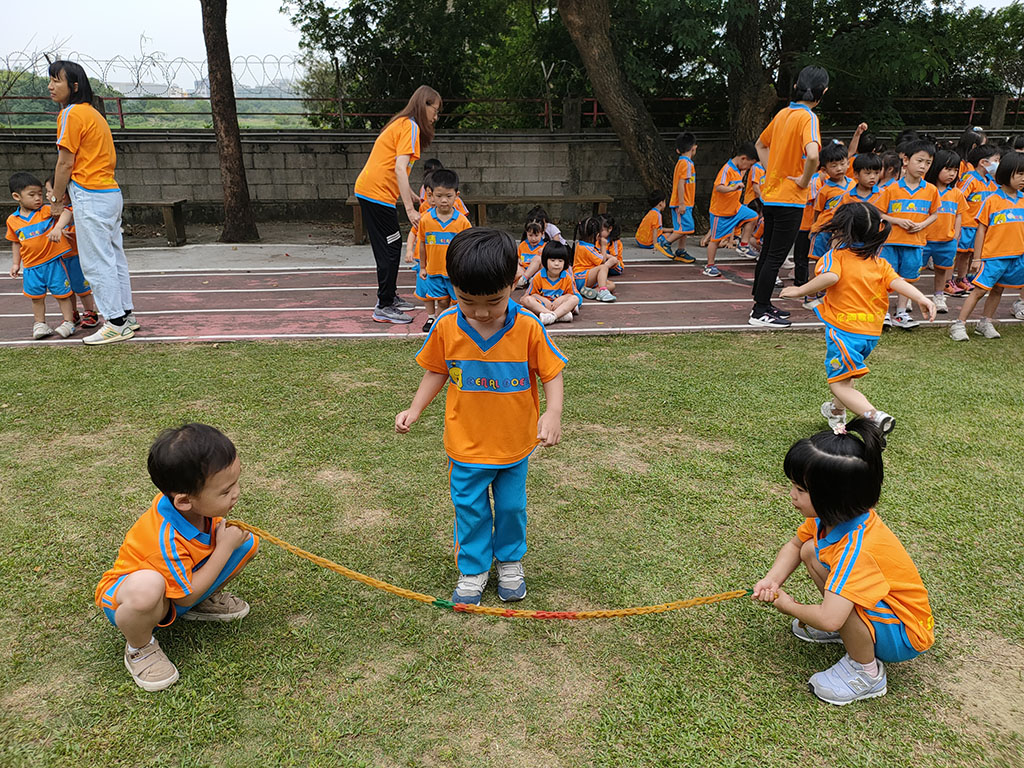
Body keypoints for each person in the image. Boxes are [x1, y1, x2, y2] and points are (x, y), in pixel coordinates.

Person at [395, 228, 566, 605]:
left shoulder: (528, 327)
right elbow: (437, 370)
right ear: (453, 287)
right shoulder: (446, 326)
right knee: (469, 510)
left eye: (494, 300)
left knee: (511, 508)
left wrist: (553, 413)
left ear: (513, 284)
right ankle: (473, 568)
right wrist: (415, 408)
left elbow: (551, 372)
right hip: (466, 445)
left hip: (514, 444)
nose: (482, 312)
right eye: (468, 300)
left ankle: (509, 561)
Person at [752, 418, 934, 705]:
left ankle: (867, 673)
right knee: (810, 551)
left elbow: (829, 618)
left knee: (841, 608)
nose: (792, 495)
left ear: (833, 497)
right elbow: (796, 546)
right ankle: (852, 635)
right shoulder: (831, 518)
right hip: (888, 614)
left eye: (801, 490)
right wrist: (772, 580)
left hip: (905, 634)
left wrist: (789, 605)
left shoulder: (856, 550)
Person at [94, 423, 260, 691]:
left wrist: (227, 546)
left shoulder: (196, 510)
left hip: (175, 591)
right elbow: (184, 596)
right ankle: (140, 647)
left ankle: (202, 604)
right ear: (184, 501)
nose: (236, 493)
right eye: (225, 491)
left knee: (246, 543)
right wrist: (223, 549)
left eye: (236, 482)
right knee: (148, 587)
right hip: (131, 600)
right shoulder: (165, 537)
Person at [780, 202, 936, 434]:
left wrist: (799, 290)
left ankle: (874, 417)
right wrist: (922, 298)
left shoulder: (836, 257)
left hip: (844, 331)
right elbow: (898, 282)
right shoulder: (879, 263)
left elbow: (831, 277)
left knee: (837, 384)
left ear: (840, 231)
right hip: (869, 334)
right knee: (846, 374)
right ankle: (836, 411)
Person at [47, 60, 138, 345]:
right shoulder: (93, 113)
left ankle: (115, 323)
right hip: (109, 192)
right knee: (113, 258)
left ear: (74, 86)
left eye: (56, 80)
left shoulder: (70, 114)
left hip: (90, 193)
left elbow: (65, 162)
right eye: (50, 80)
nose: (50, 86)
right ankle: (125, 316)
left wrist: (56, 199)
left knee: (96, 262)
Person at [354, 85, 441, 324]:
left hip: (374, 192)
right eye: (435, 110)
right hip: (376, 195)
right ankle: (384, 305)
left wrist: (411, 194)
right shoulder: (410, 126)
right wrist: (410, 210)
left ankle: (390, 297)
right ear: (424, 105)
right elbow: (399, 168)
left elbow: (393, 168)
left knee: (390, 245)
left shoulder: (403, 124)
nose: (436, 116)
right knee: (390, 248)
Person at [750, 66, 828, 328]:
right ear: (823, 92)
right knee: (776, 256)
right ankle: (759, 310)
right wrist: (804, 180)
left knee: (768, 253)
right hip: (790, 199)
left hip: (772, 196)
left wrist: (772, 171)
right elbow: (814, 155)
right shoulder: (808, 118)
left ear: (796, 87)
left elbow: (760, 144)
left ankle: (761, 303)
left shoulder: (783, 114)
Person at [949, 151, 1024, 341]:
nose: (1023, 179)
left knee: (999, 289)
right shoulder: (992, 200)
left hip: (1016, 255)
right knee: (980, 290)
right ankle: (959, 324)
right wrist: (977, 258)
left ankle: (985, 322)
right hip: (993, 256)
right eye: (1020, 174)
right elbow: (981, 230)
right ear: (1006, 173)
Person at [875, 139, 939, 329]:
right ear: (905, 160)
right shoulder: (891, 189)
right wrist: (896, 221)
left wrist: (922, 225)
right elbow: (879, 213)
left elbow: (934, 214)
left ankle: (901, 312)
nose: (923, 166)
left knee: (907, 278)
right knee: (886, 278)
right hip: (890, 242)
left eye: (928, 163)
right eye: (919, 161)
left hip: (915, 243)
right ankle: (883, 312)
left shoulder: (931, 190)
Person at [7, 172, 77, 339]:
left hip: (53, 263)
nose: (38, 198)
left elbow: (67, 212)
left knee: (63, 295)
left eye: (40, 194)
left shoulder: (46, 210)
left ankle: (69, 322)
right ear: (17, 196)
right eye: (32, 195)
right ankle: (40, 324)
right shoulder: (12, 220)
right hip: (31, 267)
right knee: (36, 298)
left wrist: (58, 227)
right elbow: (16, 242)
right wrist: (16, 263)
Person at [415, 169, 471, 334]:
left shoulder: (462, 222)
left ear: (456, 195)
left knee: (458, 301)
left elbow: (468, 248)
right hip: (434, 271)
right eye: (439, 196)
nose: (444, 200)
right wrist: (423, 267)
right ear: (431, 195)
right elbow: (422, 244)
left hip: (455, 273)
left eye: (448, 196)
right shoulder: (426, 219)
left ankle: (458, 327)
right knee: (441, 302)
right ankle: (439, 327)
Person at [44, 175, 100, 328]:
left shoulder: (72, 209)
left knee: (82, 287)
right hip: (60, 258)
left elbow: (67, 215)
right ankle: (72, 313)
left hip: (75, 257)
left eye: (49, 191)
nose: (47, 195)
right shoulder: (49, 212)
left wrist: (59, 228)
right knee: (67, 289)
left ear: (61, 194)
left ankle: (90, 312)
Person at [703, 144, 760, 277]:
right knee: (715, 241)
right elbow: (719, 187)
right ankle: (709, 266)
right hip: (720, 212)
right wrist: (733, 188)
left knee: (753, 216)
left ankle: (743, 244)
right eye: (750, 165)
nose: (749, 168)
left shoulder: (738, 169)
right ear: (743, 158)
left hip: (735, 208)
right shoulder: (727, 170)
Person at [922, 150, 967, 313]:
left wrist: (955, 236)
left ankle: (939, 296)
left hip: (946, 241)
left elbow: (958, 215)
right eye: (948, 169)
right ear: (937, 167)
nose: (952, 174)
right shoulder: (926, 190)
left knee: (942, 271)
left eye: (955, 170)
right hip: (924, 240)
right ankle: (909, 298)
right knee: (914, 271)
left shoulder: (956, 193)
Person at [953, 144, 1000, 294]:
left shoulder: (990, 181)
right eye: (996, 160)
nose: (998, 164)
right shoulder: (970, 178)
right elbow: (958, 198)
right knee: (960, 253)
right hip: (966, 224)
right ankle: (955, 279)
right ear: (983, 162)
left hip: (979, 226)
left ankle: (966, 277)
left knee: (971, 253)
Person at [809, 141, 854, 262]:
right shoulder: (824, 190)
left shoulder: (853, 185)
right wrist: (813, 228)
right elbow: (817, 211)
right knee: (821, 261)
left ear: (848, 164)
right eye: (834, 166)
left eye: (842, 164)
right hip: (825, 230)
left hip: (844, 230)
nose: (839, 168)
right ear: (824, 169)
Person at [521, 241, 581, 324]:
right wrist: (544, 300)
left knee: (575, 299)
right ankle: (558, 316)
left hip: (559, 305)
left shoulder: (567, 277)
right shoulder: (538, 276)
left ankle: (551, 316)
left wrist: (561, 299)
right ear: (545, 260)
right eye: (552, 260)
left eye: (560, 261)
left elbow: (571, 294)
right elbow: (530, 294)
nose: (556, 264)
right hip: (543, 306)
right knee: (527, 300)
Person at [666, 132, 697, 263]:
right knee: (687, 227)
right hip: (683, 202)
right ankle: (665, 242)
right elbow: (681, 184)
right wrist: (682, 203)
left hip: (686, 202)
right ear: (694, 147)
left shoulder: (683, 162)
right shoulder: (686, 164)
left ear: (678, 150)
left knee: (683, 228)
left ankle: (681, 250)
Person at [572, 215, 618, 301]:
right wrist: (603, 246)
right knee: (603, 267)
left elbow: (597, 255)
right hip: (581, 277)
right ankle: (602, 292)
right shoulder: (588, 248)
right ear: (597, 236)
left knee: (611, 285)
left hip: (585, 277)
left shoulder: (581, 244)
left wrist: (611, 258)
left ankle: (592, 291)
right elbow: (602, 261)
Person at [636, 191, 673, 255]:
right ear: (661, 203)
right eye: (664, 202)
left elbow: (659, 228)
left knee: (668, 233)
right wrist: (655, 245)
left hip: (639, 241)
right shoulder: (657, 215)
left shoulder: (651, 212)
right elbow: (655, 230)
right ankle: (659, 244)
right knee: (669, 235)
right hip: (648, 243)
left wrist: (672, 229)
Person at [515, 219, 546, 288]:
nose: (533, 239)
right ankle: (522, 280)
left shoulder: (545, 246)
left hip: (537, 272)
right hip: (523, 270)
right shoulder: (522, 245)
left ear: (542, 234)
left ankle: (526, 279)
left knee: (538, 259)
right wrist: (518, 260)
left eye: (536, 235)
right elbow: (518, 256)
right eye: (530, 235)